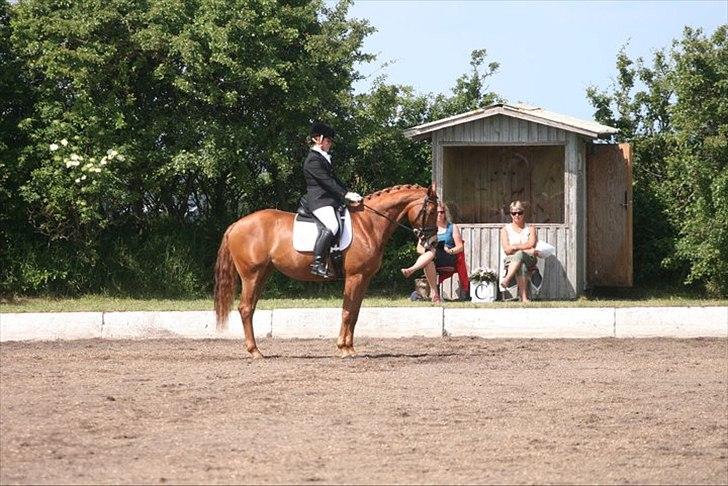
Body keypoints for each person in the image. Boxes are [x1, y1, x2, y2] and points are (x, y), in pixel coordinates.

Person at [303, 122, 362, 277]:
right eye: (328, 141)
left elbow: (335, 180)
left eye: (330, 141)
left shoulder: (323, 158)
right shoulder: (312, 160)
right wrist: (344, 195)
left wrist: (349, 193)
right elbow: (326, 182)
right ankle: (317, 263)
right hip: (319, 200)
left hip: (329, 201)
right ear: (318, 139)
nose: (330, 144)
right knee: (332, 225)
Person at [401, 202, 469, 302]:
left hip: (447, 257)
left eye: (442, 212)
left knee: (432, 252)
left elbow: (460, 247)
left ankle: (411, 269)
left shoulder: (452, 227)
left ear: (445, 213)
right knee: (430, 258)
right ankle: (435, 295)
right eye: (437, 213)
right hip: (432, 258)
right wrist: (427, 248)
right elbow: (419, 248)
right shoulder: (428, 229)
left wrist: (450, 250)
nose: (439, 215)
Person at [500, 200, 538, 302]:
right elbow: (507, 250)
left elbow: (531, 244)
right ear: (510, 214)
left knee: (520, 254)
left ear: (524, 213)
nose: (517, 215)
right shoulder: (505, 230)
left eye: (519, 212)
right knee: (522, 265)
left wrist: (515, 247)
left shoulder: (530, 228)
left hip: (529, 258)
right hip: (511, 260)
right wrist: (523, 247)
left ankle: (507, 279)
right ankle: (524, 298)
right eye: (514, 213)